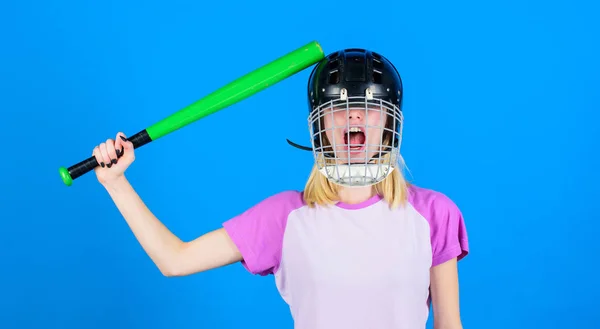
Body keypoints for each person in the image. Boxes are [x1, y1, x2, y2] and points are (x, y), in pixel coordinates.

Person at [92, 48, 469, 329]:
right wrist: (116, 182)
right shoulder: (285, 218)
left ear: (389, 123)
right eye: (340, 107)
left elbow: (449, 325)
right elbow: (174, 260)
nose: (354, 116)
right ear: (321, 125)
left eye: (368, 108)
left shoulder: (433, 214)